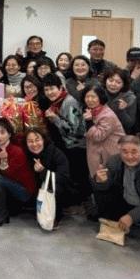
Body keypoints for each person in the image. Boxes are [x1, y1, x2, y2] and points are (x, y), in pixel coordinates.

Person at [92, 135, 140, 249]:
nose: (129, 156)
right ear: (119, 152)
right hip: (124, 201)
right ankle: (114, 222)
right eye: (125, 152)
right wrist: (100, 181)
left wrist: (132, 216)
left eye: (134, 151)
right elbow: (106, 188)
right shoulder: (113, 161)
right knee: (95, 183)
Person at [0, 118, 35, 226]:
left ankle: (2, 213)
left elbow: (10, 175)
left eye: (2, 132)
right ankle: (11, 207)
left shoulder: (16, 151)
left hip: (24, 190)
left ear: (9, 134)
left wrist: (4, 162)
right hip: (6, 185)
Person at [42, 73, 88, 201]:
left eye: (52, 88)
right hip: (68, 144)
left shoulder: (69, 102)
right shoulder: (57, 102)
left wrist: (55, 119)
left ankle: (79, 203)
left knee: (76, 178)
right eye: (46, 89)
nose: (49, 92)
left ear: (60, 88)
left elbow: (74, 130)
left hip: (76, 146)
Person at [24, 129, 73, 228]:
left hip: (59, 190)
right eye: (30, 141)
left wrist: (43, 171)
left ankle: (55, 216)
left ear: (44, 140)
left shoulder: (56, 153)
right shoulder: (26, 154)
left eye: (37, 140)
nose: (34, 144)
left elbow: (64, 178)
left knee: (55, 187)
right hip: (37, 191)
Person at [82, 85, 125, 178]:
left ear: (100, 98)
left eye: (93, 97)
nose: (89, 100)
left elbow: (98, 137)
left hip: (108, 156)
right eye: (87, 97)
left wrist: (89, 122)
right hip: (97, 153)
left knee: (105, 181)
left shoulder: (107, 115)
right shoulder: (91, 111)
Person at [102, 67, 137, 134]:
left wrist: (122, 111)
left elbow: (130, 124)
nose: (113, 84)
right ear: (105, 80)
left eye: (118, 82)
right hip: (101, 133)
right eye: (111, 80)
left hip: (121, 134)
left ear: (123, 84)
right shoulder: (98, 94)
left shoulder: (130, 97)